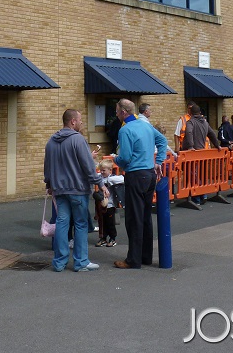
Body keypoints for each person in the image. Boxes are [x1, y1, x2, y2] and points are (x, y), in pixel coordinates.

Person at [44, 109, 108, 272]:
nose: (81, 123)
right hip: (78, 189)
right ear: (72, 121)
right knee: (80, 224)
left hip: (59, 190)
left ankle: (59, 262)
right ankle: (81, 262)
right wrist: (100, 183)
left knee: (62, 223)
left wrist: (49, 184)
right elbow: (88, 166)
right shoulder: (78, 140)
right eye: (80, 120)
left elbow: (47, 166)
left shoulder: (51, 141)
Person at [111, 98, 167, 269]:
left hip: (136, 175)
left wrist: (116, 159)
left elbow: (126, 157)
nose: (115, 114)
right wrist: (159, 161)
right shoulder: (145, 125)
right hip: (150, 174)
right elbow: (162, 141)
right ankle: (145, 257)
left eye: (116, 110)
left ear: (123, 112)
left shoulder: (125, 130)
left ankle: (133, 260)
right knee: (145, 217)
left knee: (134, 218)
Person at [95, 159, 124, 248]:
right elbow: (93, 175)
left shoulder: (113, 178)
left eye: (104, 170)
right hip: (101, 205)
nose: (102, 172)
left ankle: (112, 238)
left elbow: (122, 179)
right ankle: (103, 238)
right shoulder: (100, 176)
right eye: (101, 170)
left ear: (110, 170)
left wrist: (109, 180)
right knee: (102, 222)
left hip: (110, 205)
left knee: (110, 223)